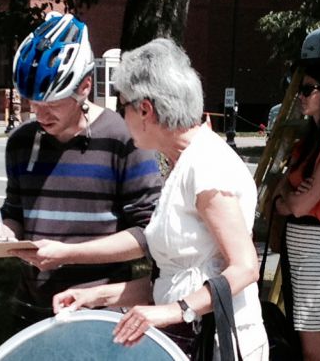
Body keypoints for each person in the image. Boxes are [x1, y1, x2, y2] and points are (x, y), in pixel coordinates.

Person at [49, 38, 269, 360]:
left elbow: (246, 268)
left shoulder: (207, 164)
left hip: (219, 345)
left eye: (120, 105)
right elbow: (171, 279)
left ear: (145, 109)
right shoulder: (182, 163)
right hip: (186, 342)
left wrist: (174, 312)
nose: (119, 116)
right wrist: (93, 296)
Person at [0, 12, 163, 328]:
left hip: (99, 315)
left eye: (52, 103)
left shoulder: (124, 140)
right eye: (32, 102)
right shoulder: (21, 143)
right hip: (31, 312)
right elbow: (16, 214)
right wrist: (4, 233)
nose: (39, 114)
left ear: (85, 87)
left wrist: (68, 253)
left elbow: (148, 236)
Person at [274, 60, 320, 361]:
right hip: (303, 253)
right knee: (308, 349)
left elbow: (299, 203)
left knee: (317, 354)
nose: (301, 96)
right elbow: (281, 193)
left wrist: (290, 200)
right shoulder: (309, 143)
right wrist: (289, 200)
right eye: (299, 89)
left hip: (319, 256)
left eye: (308, 89)